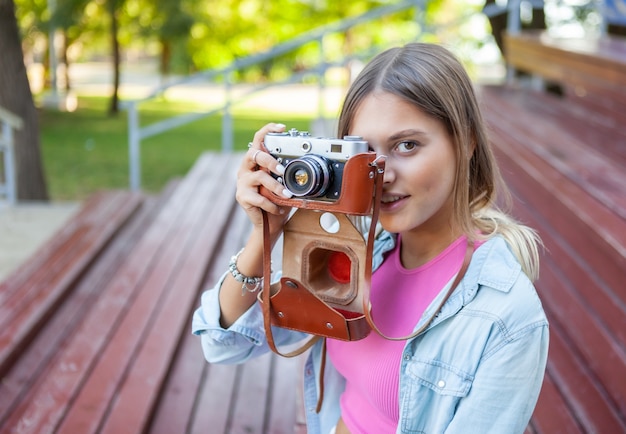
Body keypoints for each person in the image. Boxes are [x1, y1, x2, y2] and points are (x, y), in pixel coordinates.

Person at [192, 42, 549, 434]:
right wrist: (265, 233)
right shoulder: (360, 253)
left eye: (407, 145)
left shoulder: (507, 318)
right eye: (365, 152)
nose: (383, 174)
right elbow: (224, 344)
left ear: (466, 142)